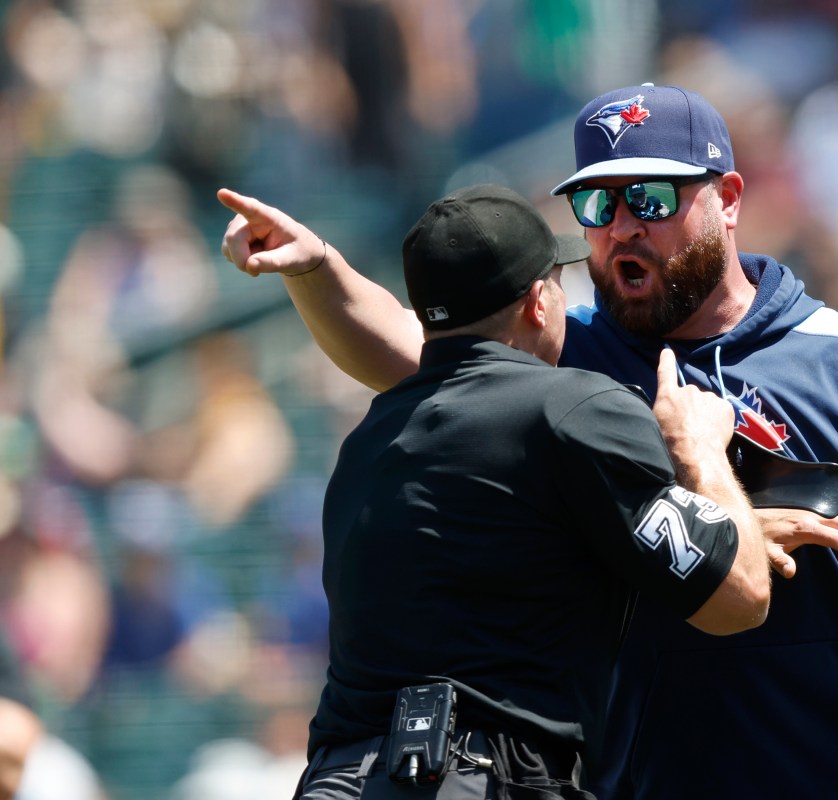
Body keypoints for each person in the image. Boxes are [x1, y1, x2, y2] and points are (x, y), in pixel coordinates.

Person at [219, 83, 838, 799]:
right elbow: (406, 344)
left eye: (651, 198)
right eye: (596, 202)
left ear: (727, 199)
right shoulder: (559, 362)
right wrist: (318, 267)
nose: (622, 225)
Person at [261, 182, 783, 799]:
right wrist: (700, 455)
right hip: (481, 779)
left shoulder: (369, 441)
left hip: (338, 780)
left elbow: (515, 561)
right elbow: (740, 595)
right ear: (540, 301)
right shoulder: (573, 407)